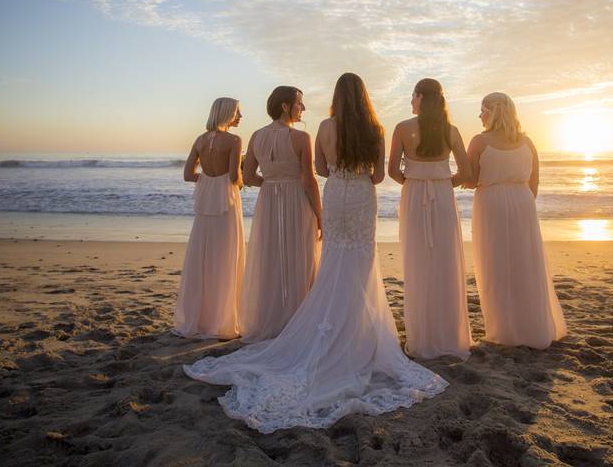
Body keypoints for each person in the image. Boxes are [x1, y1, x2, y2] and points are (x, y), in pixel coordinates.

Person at [184, 74, 446, 433]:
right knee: (362, 261)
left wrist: (337, 173)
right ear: (365, 97)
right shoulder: (376, 127)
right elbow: (377, 176)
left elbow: (320, 170)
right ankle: (358, 333)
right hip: (360, 197)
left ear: (337, 97)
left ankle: (328, 328)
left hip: (336, 193)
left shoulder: (323, 126)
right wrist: (360, 176)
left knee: (334, 260)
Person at [465, 92, 567, 348]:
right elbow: (534, 184)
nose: (479, 115)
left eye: (482, 110)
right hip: (523, 203)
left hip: (491, 204)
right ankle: (532, 325)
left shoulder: (479, 142)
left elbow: (470, 180)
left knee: (495, 265)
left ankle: (504, 330)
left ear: (491, 112)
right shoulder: (528, 142)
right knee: (525, 264)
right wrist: (520, 201)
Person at [388, 78, 473, 360]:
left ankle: (422, 336)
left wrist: (413, 181)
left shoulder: (402, 128)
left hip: (414, 196)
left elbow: (391, 170)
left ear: (421, 97)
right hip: (442, 197)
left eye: (412, 96)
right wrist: (444, 182)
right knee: (445, 262)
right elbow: (468, 172)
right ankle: (448, 334)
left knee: (418, 262)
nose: (411, 101)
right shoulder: (451, 130)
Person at [237, 86, 321, 342]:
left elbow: (248, 176)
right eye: (299, 103)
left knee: (271, 256)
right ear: (285, 106)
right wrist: (320, 215)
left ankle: (271, 319)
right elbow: (309, 181)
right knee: (300, 255)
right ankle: (296, 320)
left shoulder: (256, 136)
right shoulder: (301, 138)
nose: (303, 108)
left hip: (269, 202)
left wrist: (272, 184)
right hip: (296, 199)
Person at [173, 98, 245, 339]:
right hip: (226, 201)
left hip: (206, 201)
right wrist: (237, 179)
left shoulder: (200, 140)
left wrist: (208, 181)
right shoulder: (234, 141)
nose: (240, 116)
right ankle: (222, 319)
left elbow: (187, 175)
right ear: (226, 113)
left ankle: (199, 319)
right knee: (226, 256)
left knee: (202, 256)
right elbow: (235, 175)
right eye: (237, 112)